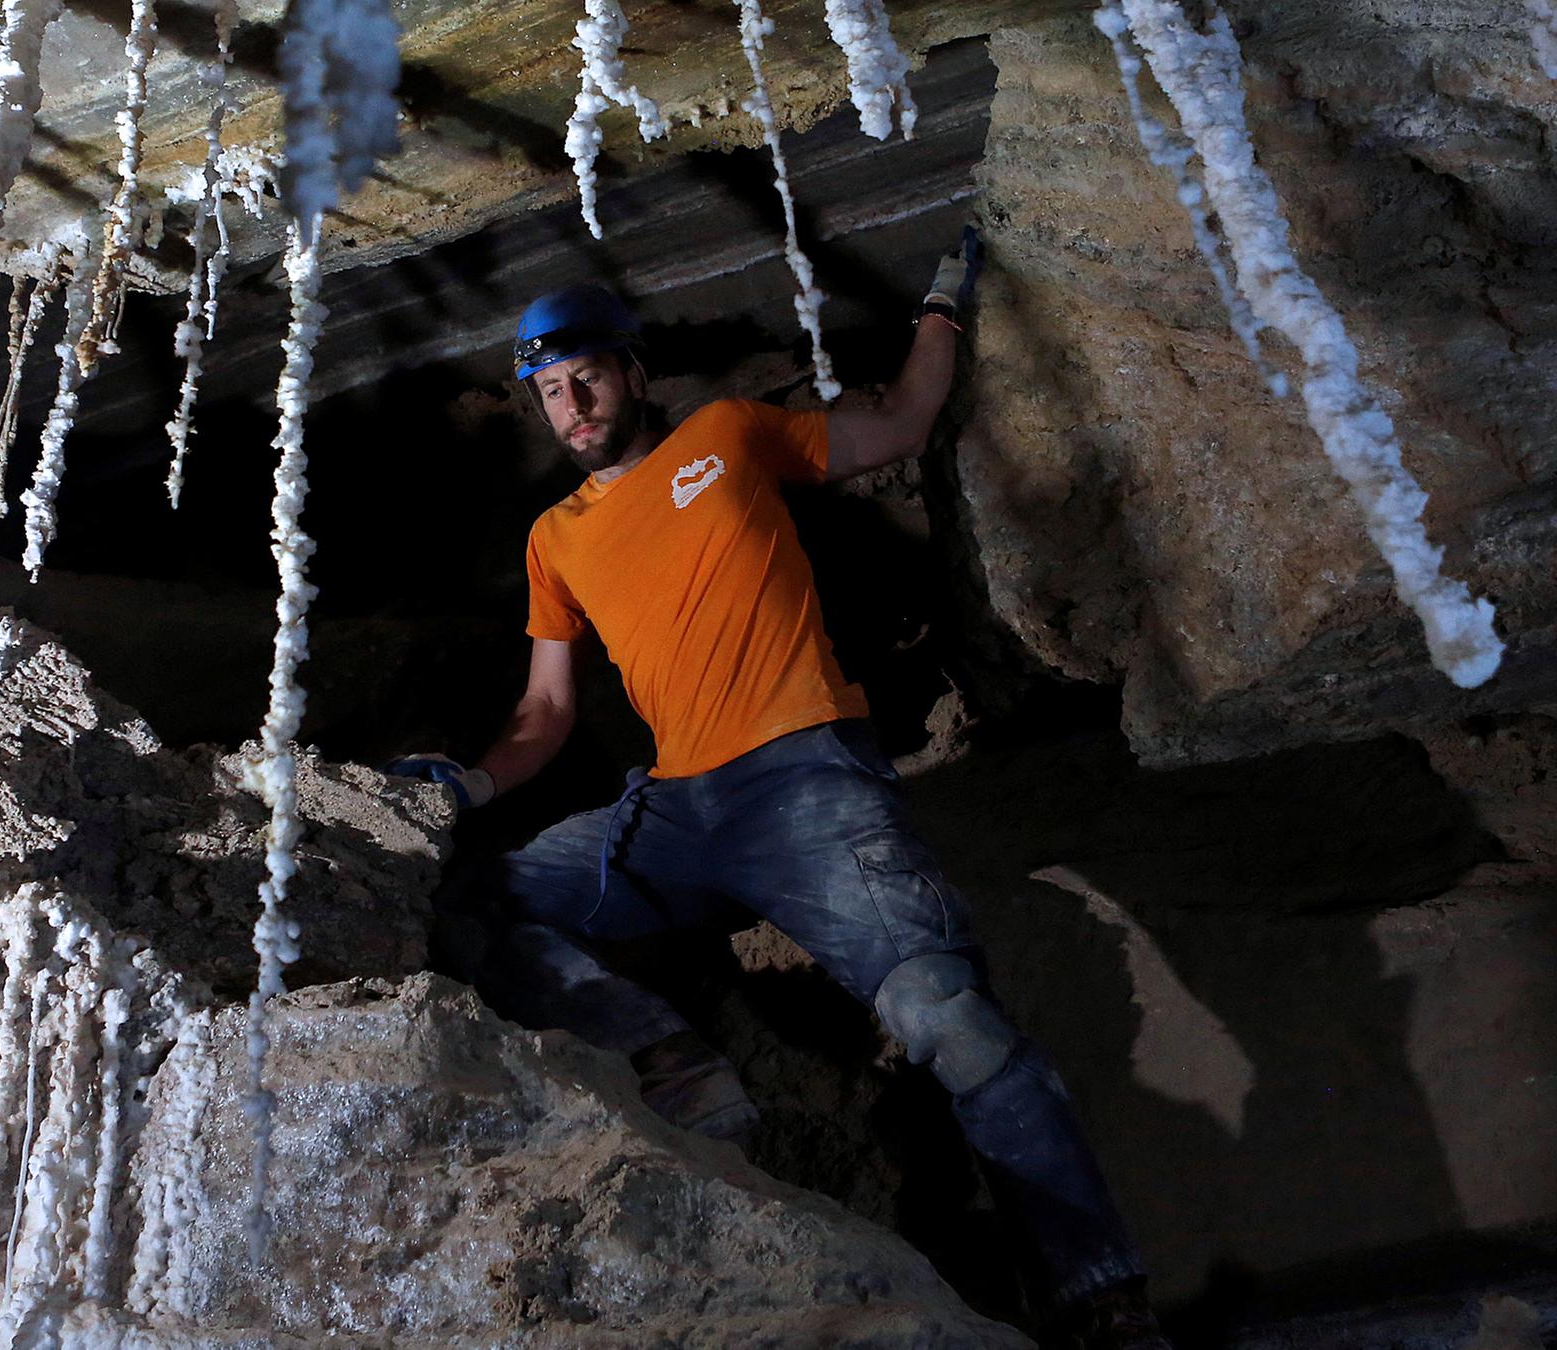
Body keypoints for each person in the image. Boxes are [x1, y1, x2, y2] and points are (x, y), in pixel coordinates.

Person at [390, 233, 1171, 1350]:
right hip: (674, 811)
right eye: (551, 392)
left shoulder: (725, 436)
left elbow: (901, 423)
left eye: (587, 377)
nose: (572, 406)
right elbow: (544, 713)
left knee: (947, 1017)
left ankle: (1100, 1299)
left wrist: (941, 308)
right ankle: (667, 1059)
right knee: (478, 897)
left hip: (805, 780)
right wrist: (465, 784)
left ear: (633, 372)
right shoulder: (554, 540)